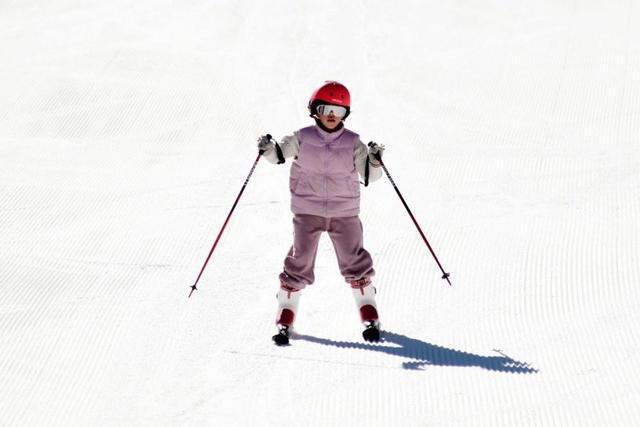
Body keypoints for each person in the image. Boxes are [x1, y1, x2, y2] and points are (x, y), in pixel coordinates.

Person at [257, 81, 385, 345]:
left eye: (338, 112)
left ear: (345, 115)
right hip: (308, 209)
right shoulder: (303, 137)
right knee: (300, 258)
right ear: (314, 109)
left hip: (344, 210)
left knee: (354, 258)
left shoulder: (353, 142)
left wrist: (374, 159)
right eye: (326, 108)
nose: (331, 116)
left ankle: (367, 305)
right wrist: (269, 149)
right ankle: (286, 307)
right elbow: (280, 154)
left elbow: (371, 175)